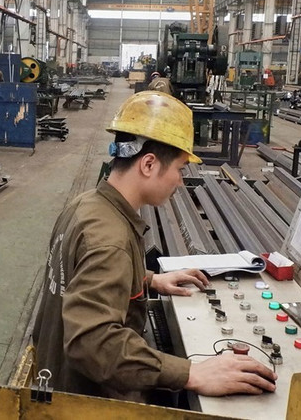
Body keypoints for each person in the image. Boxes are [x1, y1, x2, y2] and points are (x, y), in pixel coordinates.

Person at [32, 91, 277, 402]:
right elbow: (92, 344)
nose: (179, 181)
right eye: (178, 169)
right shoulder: (110, 240)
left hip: (54, 375)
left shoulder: (87, 206)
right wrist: (192, 373)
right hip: (83, 399)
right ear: (148, 164)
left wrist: (150, 279)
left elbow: (82, 275)